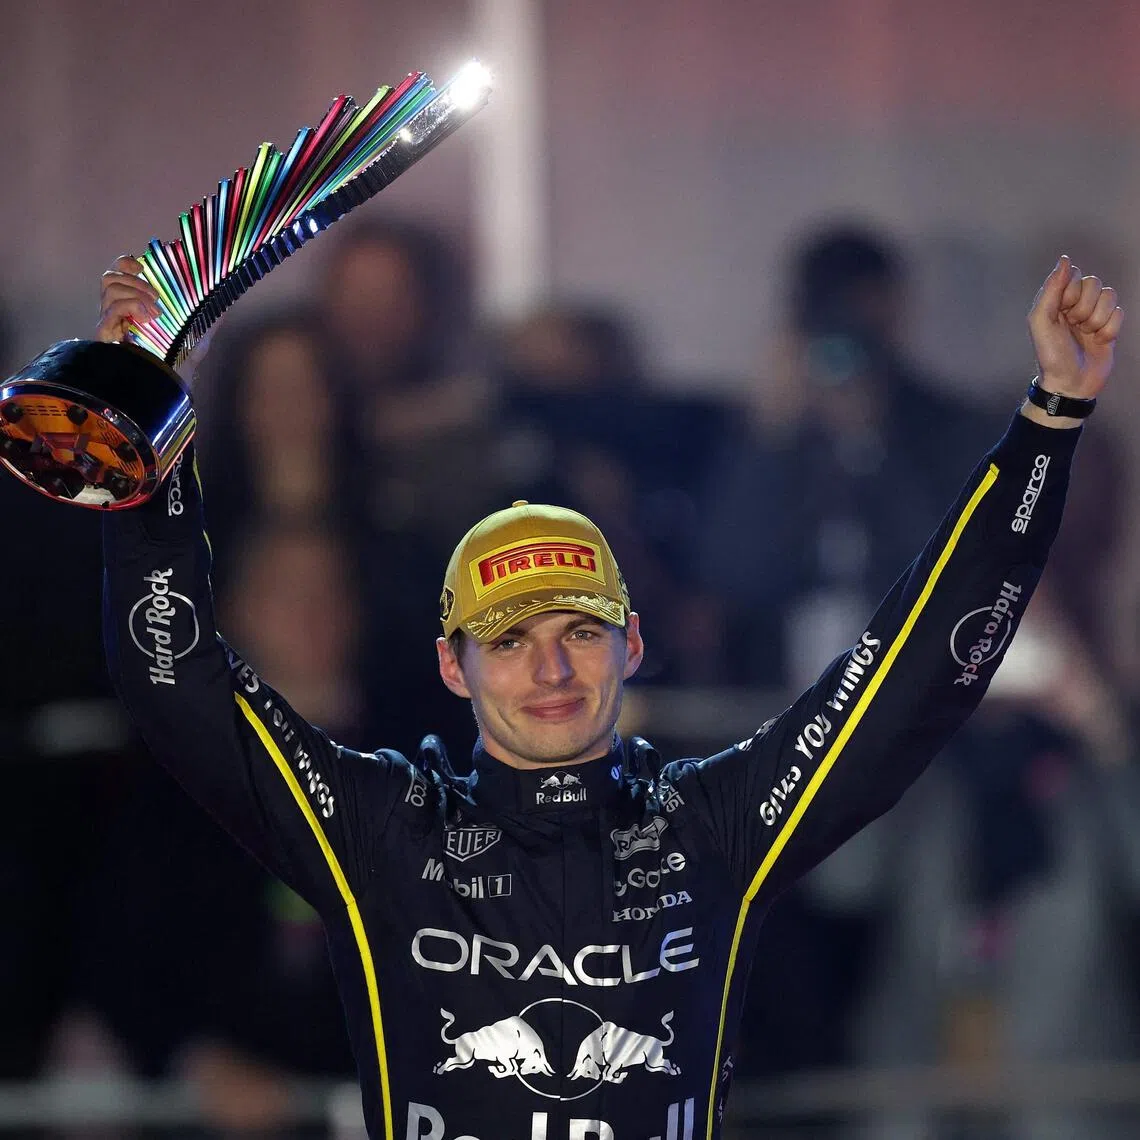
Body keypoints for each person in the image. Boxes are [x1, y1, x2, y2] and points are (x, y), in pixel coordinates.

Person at [94, 251, 1119, 1140]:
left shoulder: (712, 825)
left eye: (580, 633)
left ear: (631, 647)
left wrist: (1051, 418)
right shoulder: (382, 829)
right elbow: (174, 678)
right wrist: (155, 426)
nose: (551, 670)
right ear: (455, 668)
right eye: (512, 641)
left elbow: (921, 666)